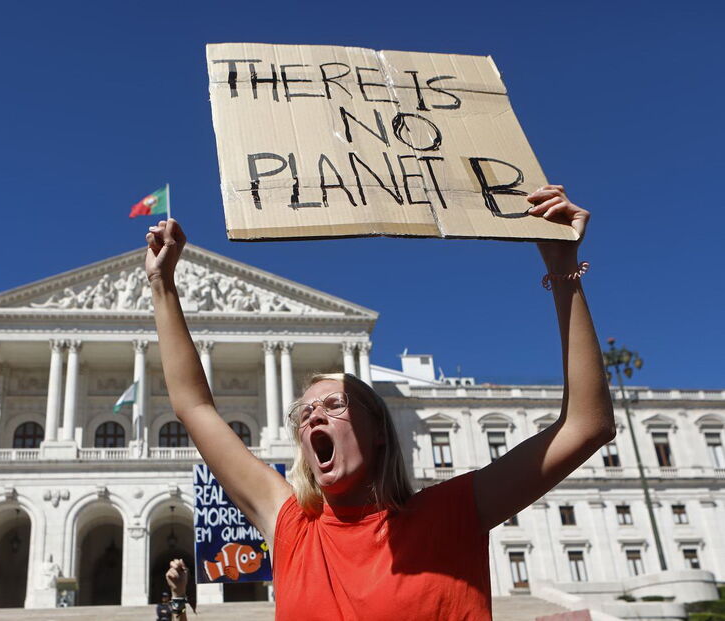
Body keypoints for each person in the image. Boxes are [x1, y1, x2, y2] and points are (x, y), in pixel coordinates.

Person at [144, 184, 614, 620]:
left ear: (380, 431)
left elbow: (587, 426)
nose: (314, 417)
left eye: (335, 404)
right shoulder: (291, 526)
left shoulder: (452, 513)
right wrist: (162, 285)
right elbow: (194, 407)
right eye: (304, 413)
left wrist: (562, 266)